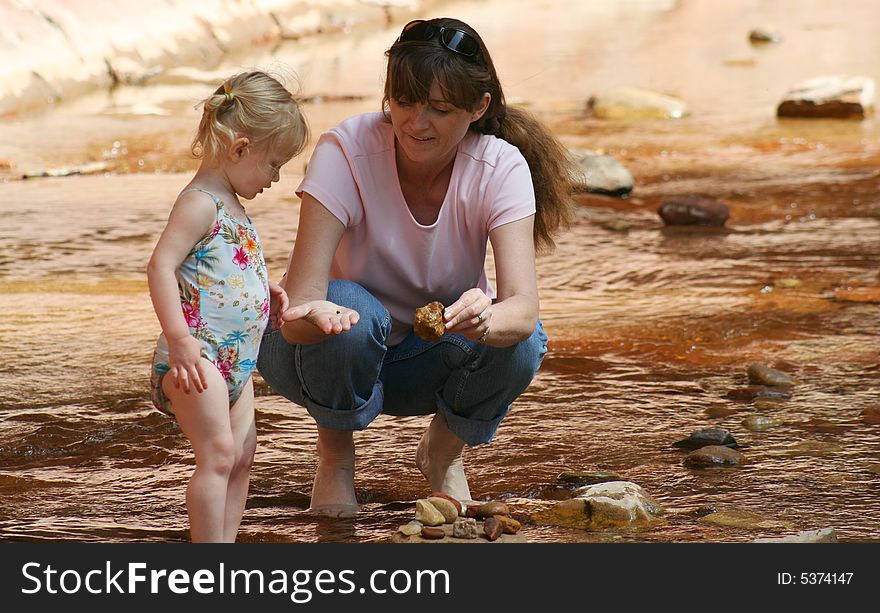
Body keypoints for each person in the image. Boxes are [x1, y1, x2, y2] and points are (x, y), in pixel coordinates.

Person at [258, 18, 575, 517]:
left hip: (425, 360)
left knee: (523, 341)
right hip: (318, 355)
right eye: (404, 101)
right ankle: (336, 463)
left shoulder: (500, 167)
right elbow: (296, 315)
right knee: (352, 311)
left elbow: (524, 308)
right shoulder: (347, 150)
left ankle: (443, 455)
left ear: (479, 108)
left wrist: (486, 318)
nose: (416, 122)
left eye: (439, 109)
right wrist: (318, 319)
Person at [147, 71, 357, 542]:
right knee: (218, 454)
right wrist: (180, 342)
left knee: (242, 457)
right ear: (239, 149)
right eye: (273, 164)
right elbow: (160, 267)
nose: (276, 178)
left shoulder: (233, 205)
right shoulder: (200, 204)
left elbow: (222, 271)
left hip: (235, 362)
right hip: (197, 357)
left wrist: (267, 295)